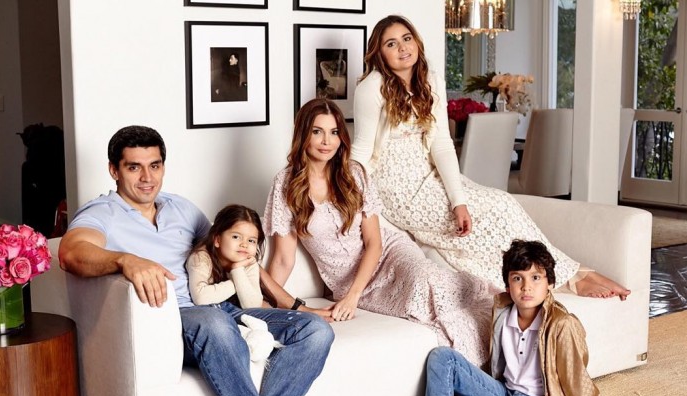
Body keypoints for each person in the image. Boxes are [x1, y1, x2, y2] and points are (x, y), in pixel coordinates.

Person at [58, 125, 360, 396]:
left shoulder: (181, 209)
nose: (147, 177)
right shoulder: (103, 212)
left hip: (224, 310)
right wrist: (125, 259)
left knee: (315, 331)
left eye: (155, 165)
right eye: (134, 167)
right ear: (114, 170)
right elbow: (71, 252)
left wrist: (294, 306)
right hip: (175, 321)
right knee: (213, 323)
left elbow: (235, 253)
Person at [350, 14, 630, 300]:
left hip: (429, 175)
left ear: (416, 42)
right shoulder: (372, 87)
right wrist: (347, 193)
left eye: (406, 38)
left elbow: (442, 144)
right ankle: (570, 276)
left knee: (503, 203)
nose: (402, 48)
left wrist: (458, 201)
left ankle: (565, 272)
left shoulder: (430, 81)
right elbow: (360, 149)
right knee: (492, 213)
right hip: (397, 188)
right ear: (379, 54)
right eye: (391, 44)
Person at [265, 98, 494, 366]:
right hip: (349, 284)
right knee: (422, 308)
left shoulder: (353, 174)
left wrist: (352, 297)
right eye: (317, 131)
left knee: (427, 280)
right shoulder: (286, 185)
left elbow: (374, 242)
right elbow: (283, 259)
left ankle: (492, 315)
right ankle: (466, 360)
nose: (327, 141)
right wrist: (262, 302)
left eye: (334, 132)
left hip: (389, 255)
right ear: (303, 133)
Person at [374, 240, 622, 396]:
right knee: (443, 357)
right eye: (518, 278)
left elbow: (577, 380)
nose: (526, 287)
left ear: (550, 284)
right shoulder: (503, 312)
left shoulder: (561, 324)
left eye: (536, 278)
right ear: (507, 284)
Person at [187, 204, 265, 310]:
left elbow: (252, 306)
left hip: (239, 312)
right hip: (213, 312)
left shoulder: (248, 263)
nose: (244, 244)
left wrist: (237, 269)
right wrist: (236, 281)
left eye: (251, 240)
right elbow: (200, 298)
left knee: (289, 317)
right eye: (236, 237)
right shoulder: (201, 258)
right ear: (217, 240)